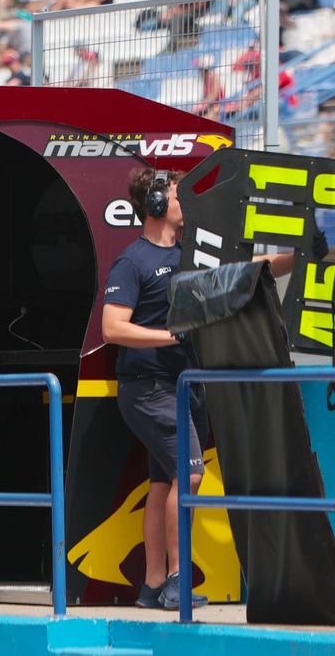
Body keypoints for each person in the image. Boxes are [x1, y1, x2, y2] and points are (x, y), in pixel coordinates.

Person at [100, 168, 305, 610]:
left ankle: (153, 585)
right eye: (177, 196)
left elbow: (250, 271)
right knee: (189, 477)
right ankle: (177, 580)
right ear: (155, 206)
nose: (186, 204)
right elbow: (113, 328)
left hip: (184, 387)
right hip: (149, 388)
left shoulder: (191, 256)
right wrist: (171, 336)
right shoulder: (132, 262)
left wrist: (304, 255)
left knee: (163, 485)